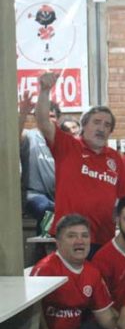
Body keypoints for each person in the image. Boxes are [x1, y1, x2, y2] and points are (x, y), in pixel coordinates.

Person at [35, 72, 125, 252]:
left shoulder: (115, 158)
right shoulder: (67, 146)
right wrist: (45, 91)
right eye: (97, 122)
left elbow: (124, 199)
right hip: (69, 238)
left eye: (107, 125)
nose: (102, 128)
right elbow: (42, 121)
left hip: (103, 238)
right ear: (84, 125)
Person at [31, 214, 118, 329]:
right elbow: (33, 313)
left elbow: (105, 316)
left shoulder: (92, 272)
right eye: (71, 236)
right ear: (58, 242)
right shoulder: (45, 269)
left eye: (84, 236)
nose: (80, 241)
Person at [18, 92, 59, 233]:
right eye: (45, 116)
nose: (48, 120)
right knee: (46, 208)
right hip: (35, 196)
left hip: (58, 196)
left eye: (52, 116)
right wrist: (22, 113)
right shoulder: (30, 136)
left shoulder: (63, 142)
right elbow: (13, 135)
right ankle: (42, 249)